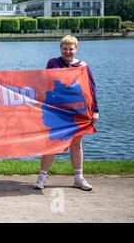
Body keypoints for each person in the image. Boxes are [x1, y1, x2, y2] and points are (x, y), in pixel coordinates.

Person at [35, 35, 99, 191]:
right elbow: (49, 81)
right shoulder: (53, 63)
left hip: (78, 111)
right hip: (57, 111)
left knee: (76, 145)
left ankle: (78, 178)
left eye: (71, 48)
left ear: (76, 49)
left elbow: (91, 88)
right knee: (52, 144)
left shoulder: (83, 66)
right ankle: (42, 177)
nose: (68, 51)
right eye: (65, 48)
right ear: (60, 49)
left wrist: (95, 110)